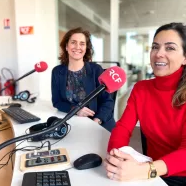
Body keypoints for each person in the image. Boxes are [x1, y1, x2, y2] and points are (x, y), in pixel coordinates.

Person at [104, 22, 186, 186]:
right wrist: (116, 155)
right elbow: (123, 127)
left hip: (179, 175)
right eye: (155, 47)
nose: (158, 54)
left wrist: (146, 170)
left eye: (169, 48)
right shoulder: (141, 89)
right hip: (149, 170)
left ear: (184, 57)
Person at [51, 27, 116, 132]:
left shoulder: (96, 70)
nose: (77, 47)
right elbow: (57, 102)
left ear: (86, 48)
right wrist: (76, 110)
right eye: (73, 42)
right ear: (66, 46)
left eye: (82, 44)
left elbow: (107, 101)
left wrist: (96, 121)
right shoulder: (57, 72)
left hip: (98, 123)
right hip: (74, 122)